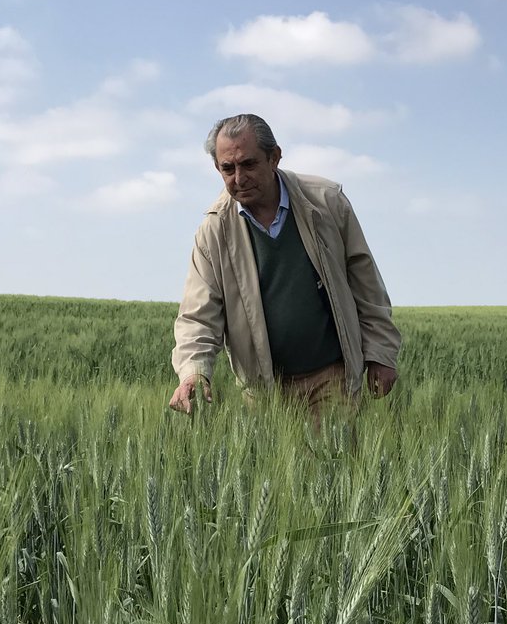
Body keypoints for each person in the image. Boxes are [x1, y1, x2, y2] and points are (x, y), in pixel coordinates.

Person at [169, 113, 400, 418]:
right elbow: (198, 316)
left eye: (249, 164)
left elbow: (365, 281)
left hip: (331, 374)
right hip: (265, 389)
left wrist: (380, 353)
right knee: (277, 465)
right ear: (217, 168)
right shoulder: (214, 232)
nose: (239, 178)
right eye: (228, 169)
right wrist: (193, 372)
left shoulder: (326, 203)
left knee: (333, 461)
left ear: (274, 157)